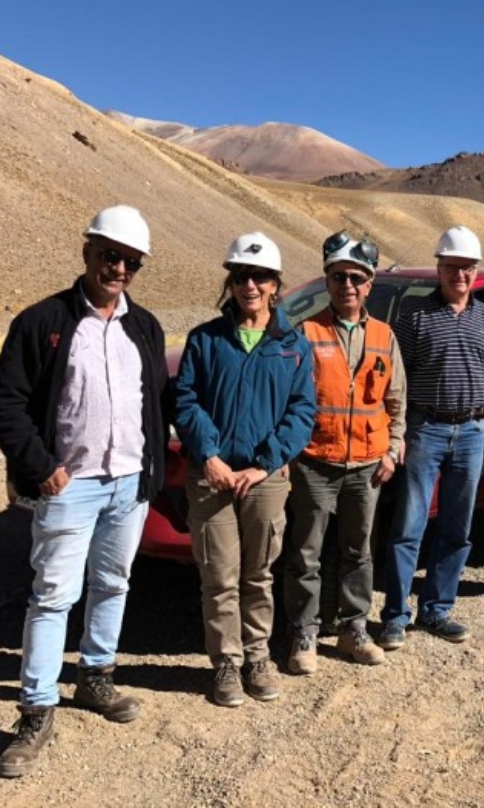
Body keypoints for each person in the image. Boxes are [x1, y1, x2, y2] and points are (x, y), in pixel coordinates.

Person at [0, 205, 168, 778]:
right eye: (110, 255)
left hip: (128, 484)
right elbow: (5, 401)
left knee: (113, 583)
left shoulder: (145, 327)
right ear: (87, 250)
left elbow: (154, 403)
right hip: (70, 486)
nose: (119, 269)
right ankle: (36, 710)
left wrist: (151, 471)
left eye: (131, 262)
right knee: (53, 596)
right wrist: (41, 466)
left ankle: (95, 676)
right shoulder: (43, 321)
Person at [174, 232, 316, 706]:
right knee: (219, 577)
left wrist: (263, 463)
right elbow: (186, 400)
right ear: (231, 283)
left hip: (265, 479)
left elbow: (302, 411)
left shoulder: (293, 345)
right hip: (211, 475)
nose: (249, 285)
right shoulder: (205, 339)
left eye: (259, 276)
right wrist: (209, 455)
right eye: (240, 276)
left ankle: (257, 657)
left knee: (258, 574)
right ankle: (226, 664)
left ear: (275, 284)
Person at [377, 226, 484, 649]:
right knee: (408, 526)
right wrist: (398, 432)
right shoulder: (415, 315)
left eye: (468, 267)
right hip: (425, 429)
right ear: (440, 268)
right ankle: (395, 615)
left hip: (471, 431)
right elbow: (397, 379)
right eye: (453, 267)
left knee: (457, 527)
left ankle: (437, 609)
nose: (460, 275)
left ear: (476, 271)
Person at [284, 231, 407, 673]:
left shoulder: (384, 336)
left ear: (369, 284)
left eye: (356, 278)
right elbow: (289, 400)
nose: (347, 285)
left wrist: (392, 450)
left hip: (368, 465)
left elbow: (396, 400)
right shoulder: (307, 332)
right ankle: (304, 633)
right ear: (327, 281)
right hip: (315, 461)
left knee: (359, 551)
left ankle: (353, 629)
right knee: (306, 553)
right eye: (338, 277)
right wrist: (292, 453)